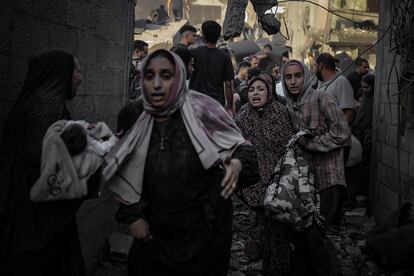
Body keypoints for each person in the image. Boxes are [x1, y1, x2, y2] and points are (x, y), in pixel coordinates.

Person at [102, 49, 260, 276]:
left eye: (166, 76)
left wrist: (236, 164)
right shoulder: (133, 115)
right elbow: (123, 168)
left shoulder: (204, 110)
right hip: (154, 236)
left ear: (178, 77)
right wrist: (133, 216)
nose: (157, 84)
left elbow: (244, 151)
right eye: (149, 76)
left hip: (204, 236)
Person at [0, 49, 95, 275]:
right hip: (37, 231)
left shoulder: (36, 104)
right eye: (77, 71)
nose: (80, 78)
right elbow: (46, 164)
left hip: (34, 226)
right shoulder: (46, 108)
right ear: (61, 74)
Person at [282, 59, 350, 276]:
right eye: (288, 77)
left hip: (329, 178)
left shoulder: (322, 98)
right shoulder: (289, 106)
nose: (293, 81)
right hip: (305, 183)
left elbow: (341, 132)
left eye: (298, 75)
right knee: (301, 235)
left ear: (306, 76)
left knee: (315, 233)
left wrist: (312, 144)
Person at [235, 76, 294, 275]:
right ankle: (266, 265)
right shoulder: (243, 114)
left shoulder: (280, 112)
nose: (255, 93)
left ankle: (278, 268)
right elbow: (234, 142)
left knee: (279, 229)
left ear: (269, 91)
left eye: (260, 89)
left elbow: (288, 147)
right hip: (254, 182)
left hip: (278, 181)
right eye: (251, 89)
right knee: (263, 226)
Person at [190, 21, 235, 116]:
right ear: (218, 36)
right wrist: (230, 107)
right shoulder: (225, 57)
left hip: (196, 103)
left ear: (203, 36)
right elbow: (228, 84)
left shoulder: (194, 53)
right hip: (216, 105)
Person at [316, 53, 355, 124]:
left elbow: (349, 113)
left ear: (320, 66)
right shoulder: (320, 84)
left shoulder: (341, 82)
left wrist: (338, 132)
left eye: (315, 66)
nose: (314, 69)